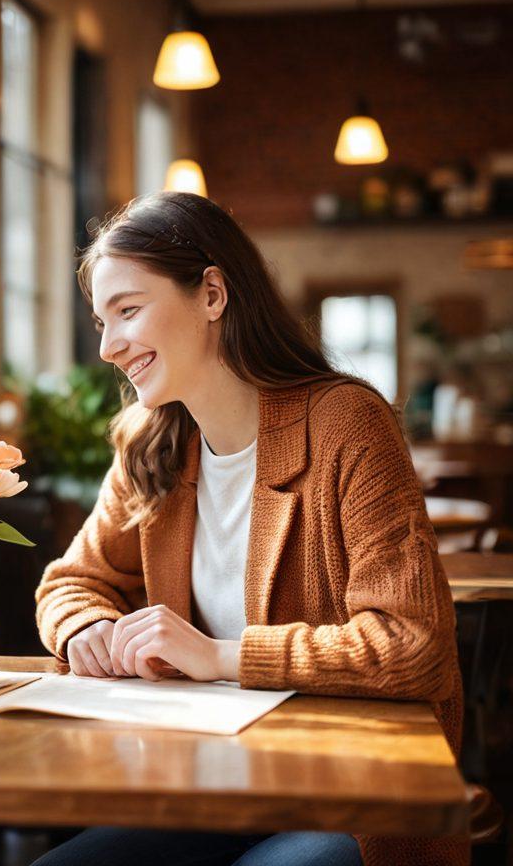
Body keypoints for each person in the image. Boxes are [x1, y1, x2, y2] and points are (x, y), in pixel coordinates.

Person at [33, 192, 464, 866]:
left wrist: (217, 657)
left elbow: (412, 644)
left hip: (346, 794)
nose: (109, 346)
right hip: (208, 785)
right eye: (101, 320)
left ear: (211, 294)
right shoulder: (151, 448)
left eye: (128, 310)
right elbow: (71, 582)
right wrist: (84, 628)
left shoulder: (346, 423)